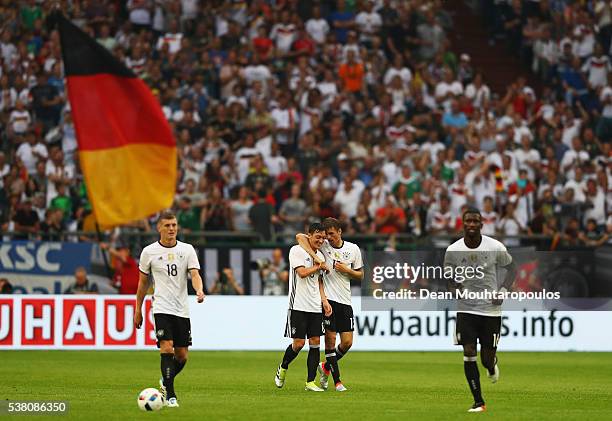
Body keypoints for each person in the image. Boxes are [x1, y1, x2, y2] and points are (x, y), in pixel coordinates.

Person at [444, 208, 517, 412]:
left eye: (476, 221)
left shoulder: (495, 246)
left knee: (486, 359)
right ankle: (479, 401)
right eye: (468, 221)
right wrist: (454, 290)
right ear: (463, 223)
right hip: (466, 309)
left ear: (481, 224)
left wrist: (502, 290)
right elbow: (449, 279)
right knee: (468, 351)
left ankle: (492, 365)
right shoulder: (453, 250)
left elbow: (512, 269)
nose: (472, 224)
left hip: (490, 311)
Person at [134, 212, 205, 408]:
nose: (171, 229)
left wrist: (199, 290)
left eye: (174, 225)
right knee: (166, 348)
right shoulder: (149, 252)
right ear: (159, 228)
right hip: (161, 307)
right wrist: (137, 310)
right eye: (167, 225)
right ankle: (171, 395)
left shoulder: (187, 249)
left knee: (182, 356)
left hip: (181, 309)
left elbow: (195, 274)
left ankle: (165, 380)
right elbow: (142, 284)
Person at [296, 218, 363, 392]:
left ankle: (325, 367)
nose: (329, 238)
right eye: (327, 235)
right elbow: (300, 237)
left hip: (345, 300)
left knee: (347, 342)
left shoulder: (353, 249)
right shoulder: (323, 246)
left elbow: (361, 275)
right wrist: (316, 258)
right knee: (331, 341)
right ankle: (337, 381)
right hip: (328, 300)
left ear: (340, 232)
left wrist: (347, 270)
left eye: (332, 234)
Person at [275, 223, 332, 392]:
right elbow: (301, 273)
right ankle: (283, 367)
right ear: (309, 235)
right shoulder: (296, 251)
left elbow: (319, 281)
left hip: (315, 306)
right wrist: (318, 265)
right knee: (298, 344)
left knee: (315, 343)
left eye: (323, 238)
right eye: (318, 237)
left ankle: (310, 382)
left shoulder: (320, 254)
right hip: (298, 304)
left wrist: (324, 300)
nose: (321, 240)